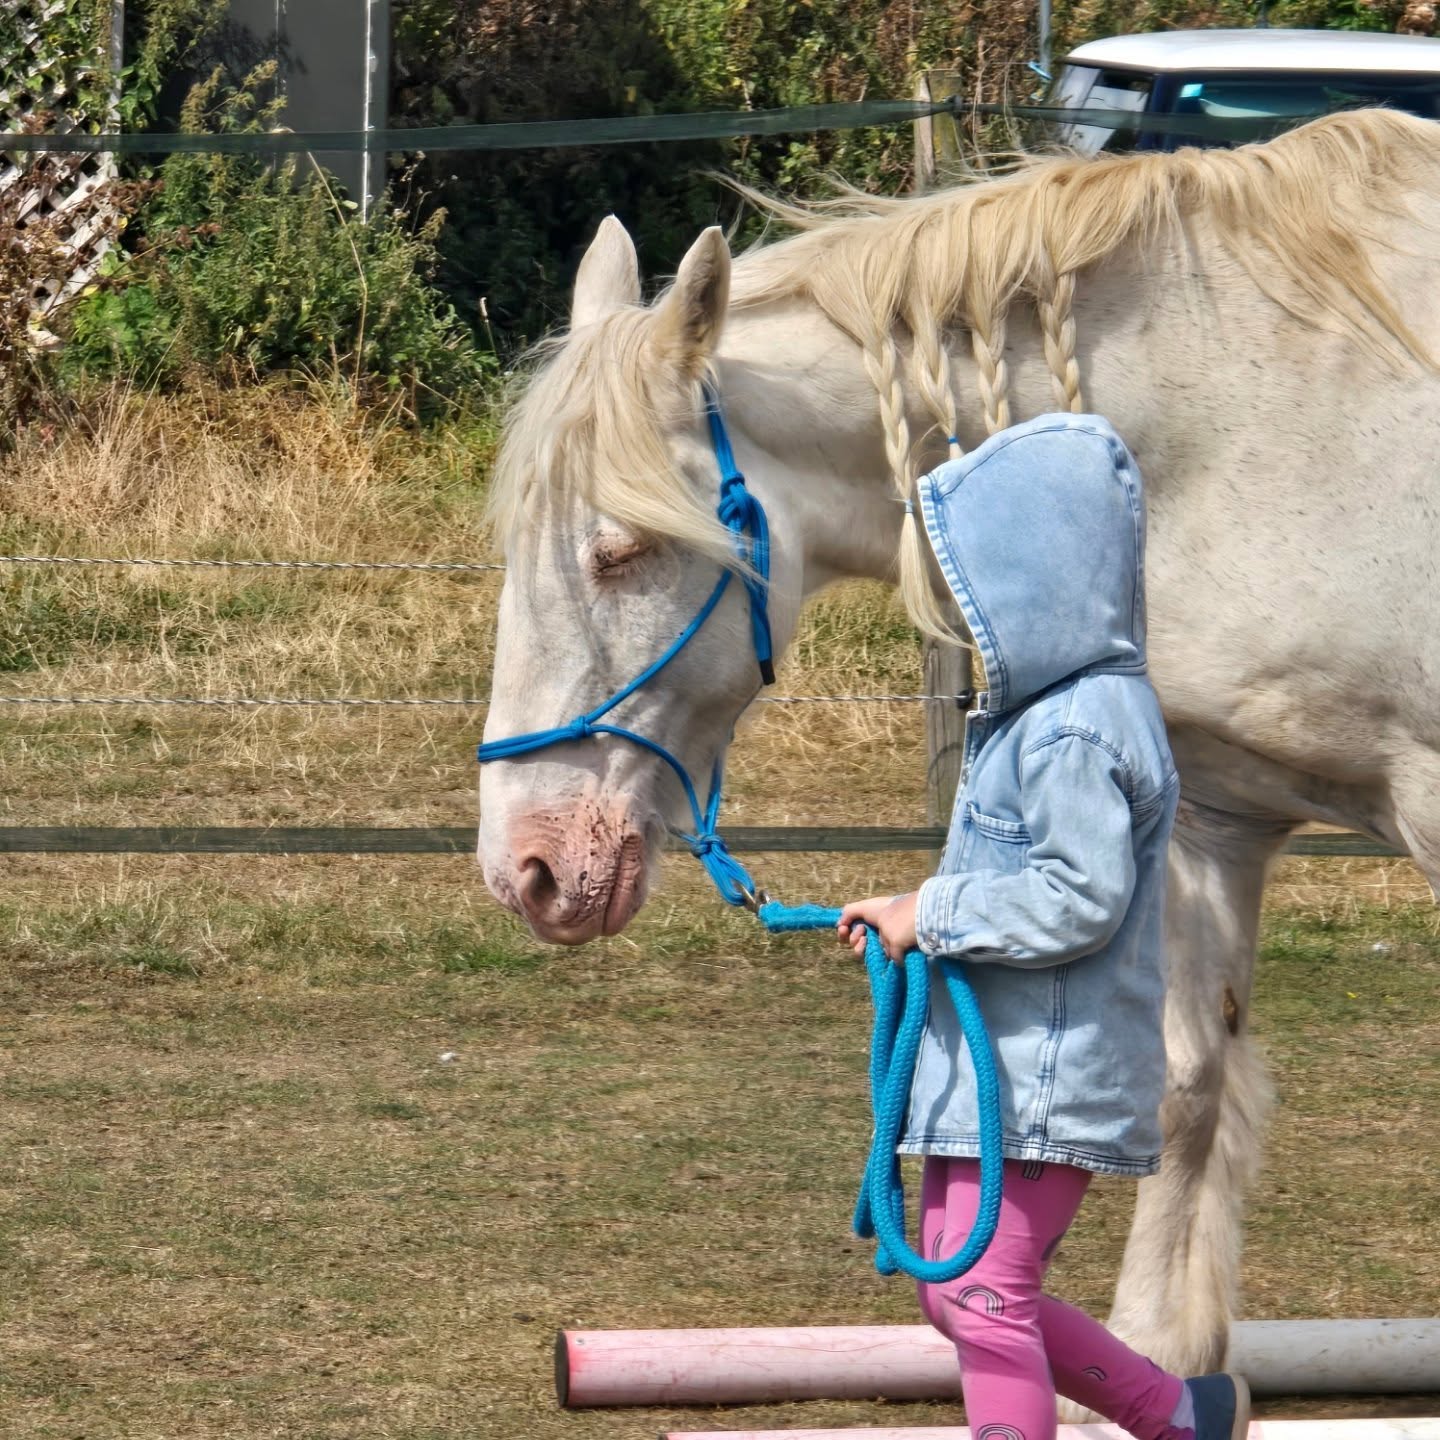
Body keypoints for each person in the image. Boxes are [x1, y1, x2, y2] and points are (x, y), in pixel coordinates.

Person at [837, 415, 1249, 1440]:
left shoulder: (1075, 727)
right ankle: (1176, 1415)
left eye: (979, 584)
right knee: (961, 1292)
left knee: (983, 1294)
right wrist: (910, 921)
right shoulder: (1052, 714)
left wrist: (926, 913)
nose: (968, 612)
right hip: (1006, 1071)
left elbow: (1077, 896)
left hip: (1041, 1079)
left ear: (1040, 577)